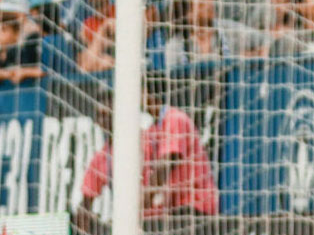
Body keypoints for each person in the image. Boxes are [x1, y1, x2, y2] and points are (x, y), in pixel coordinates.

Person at [81, 79, 218, 218]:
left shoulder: (172, 121)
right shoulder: (104, 156)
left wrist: (137, 208)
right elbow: (86, 199)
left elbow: (164, 166)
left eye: (106, 115)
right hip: (170, 210)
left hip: (193, 206)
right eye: (99, 116)